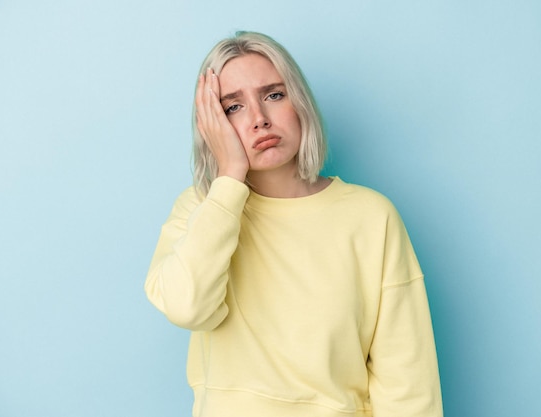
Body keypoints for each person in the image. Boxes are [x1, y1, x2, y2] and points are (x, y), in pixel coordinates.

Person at [145, 31, 443, 417]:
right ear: (210, 125)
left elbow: (409, 384)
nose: (259, 120)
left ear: (299, 103)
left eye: (273, 95)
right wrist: (229, 179)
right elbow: (189, 308)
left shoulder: (371, 217)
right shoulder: (201, 210)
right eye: (232, 107)